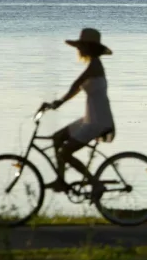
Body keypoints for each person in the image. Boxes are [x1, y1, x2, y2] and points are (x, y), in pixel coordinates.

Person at [41, 28, 115, 198]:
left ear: (89, 47)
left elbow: (77, 84)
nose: (78, 49)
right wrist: (59, 102)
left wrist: (59, 102)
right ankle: (61, 180)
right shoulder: (93, 65)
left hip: (98, 122)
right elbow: (78, 88)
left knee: (65, 153)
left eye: (81, 46)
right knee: (57, 138)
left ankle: (95, 184)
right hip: (90, 119)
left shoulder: (95, 65)